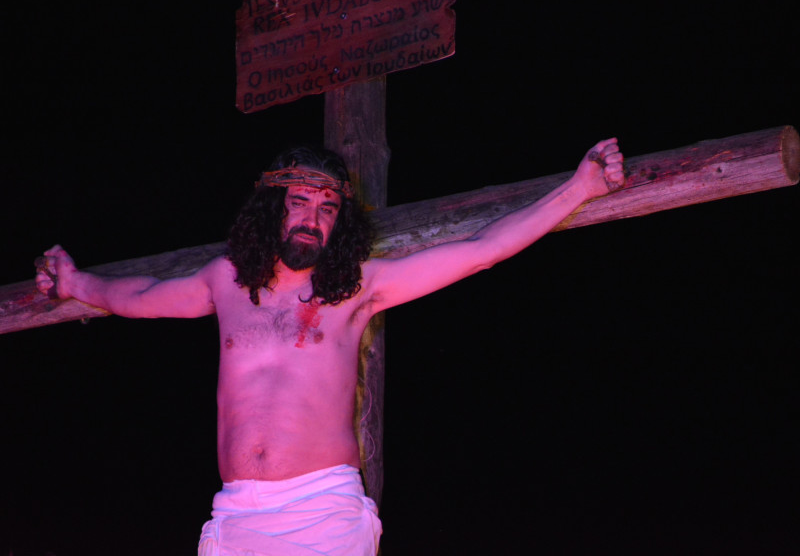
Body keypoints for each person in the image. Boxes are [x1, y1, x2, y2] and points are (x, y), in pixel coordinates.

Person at [35, 139, 625, 556]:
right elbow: (142, 294)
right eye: (299, 202)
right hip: (237, 514)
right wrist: (75, 284)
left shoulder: (359, 289)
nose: (313, 221)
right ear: (273, 207)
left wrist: (579, 186)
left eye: (327, 209)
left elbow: (482, 248)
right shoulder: (225, 281)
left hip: (322, 514)